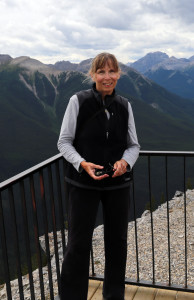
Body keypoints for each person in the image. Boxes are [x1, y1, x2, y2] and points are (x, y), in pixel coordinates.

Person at [57, 52, 140, 300]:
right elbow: (64, 142)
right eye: (102, 72)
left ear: (118, 74)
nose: (107, 77)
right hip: (83, 184)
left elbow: (134, 145)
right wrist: (82, 163)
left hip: (117, 185)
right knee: (78, 245)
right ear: (92, 75)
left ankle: (114, 296)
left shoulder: (125, 105)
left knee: (117, 244)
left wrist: (125, 162)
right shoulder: (78, 101)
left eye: (112, 71)